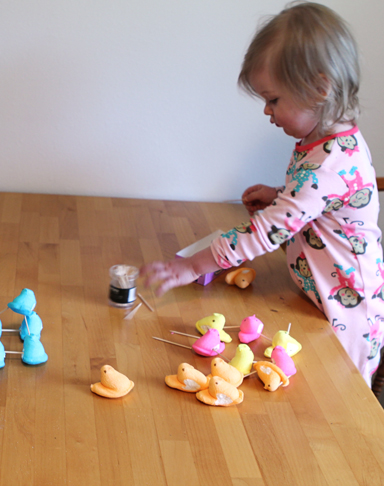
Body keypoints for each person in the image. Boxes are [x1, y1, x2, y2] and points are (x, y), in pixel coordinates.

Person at [141, 2, 383, 386]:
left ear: (319, 89)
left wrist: (192, 266)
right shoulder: (320, 142)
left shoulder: (332, 161)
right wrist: (280, 195)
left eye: (273, 99)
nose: (267, 112)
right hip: (316, 301)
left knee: (339, 403)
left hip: (348, 314)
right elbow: (319, 201)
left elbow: (263, 233)